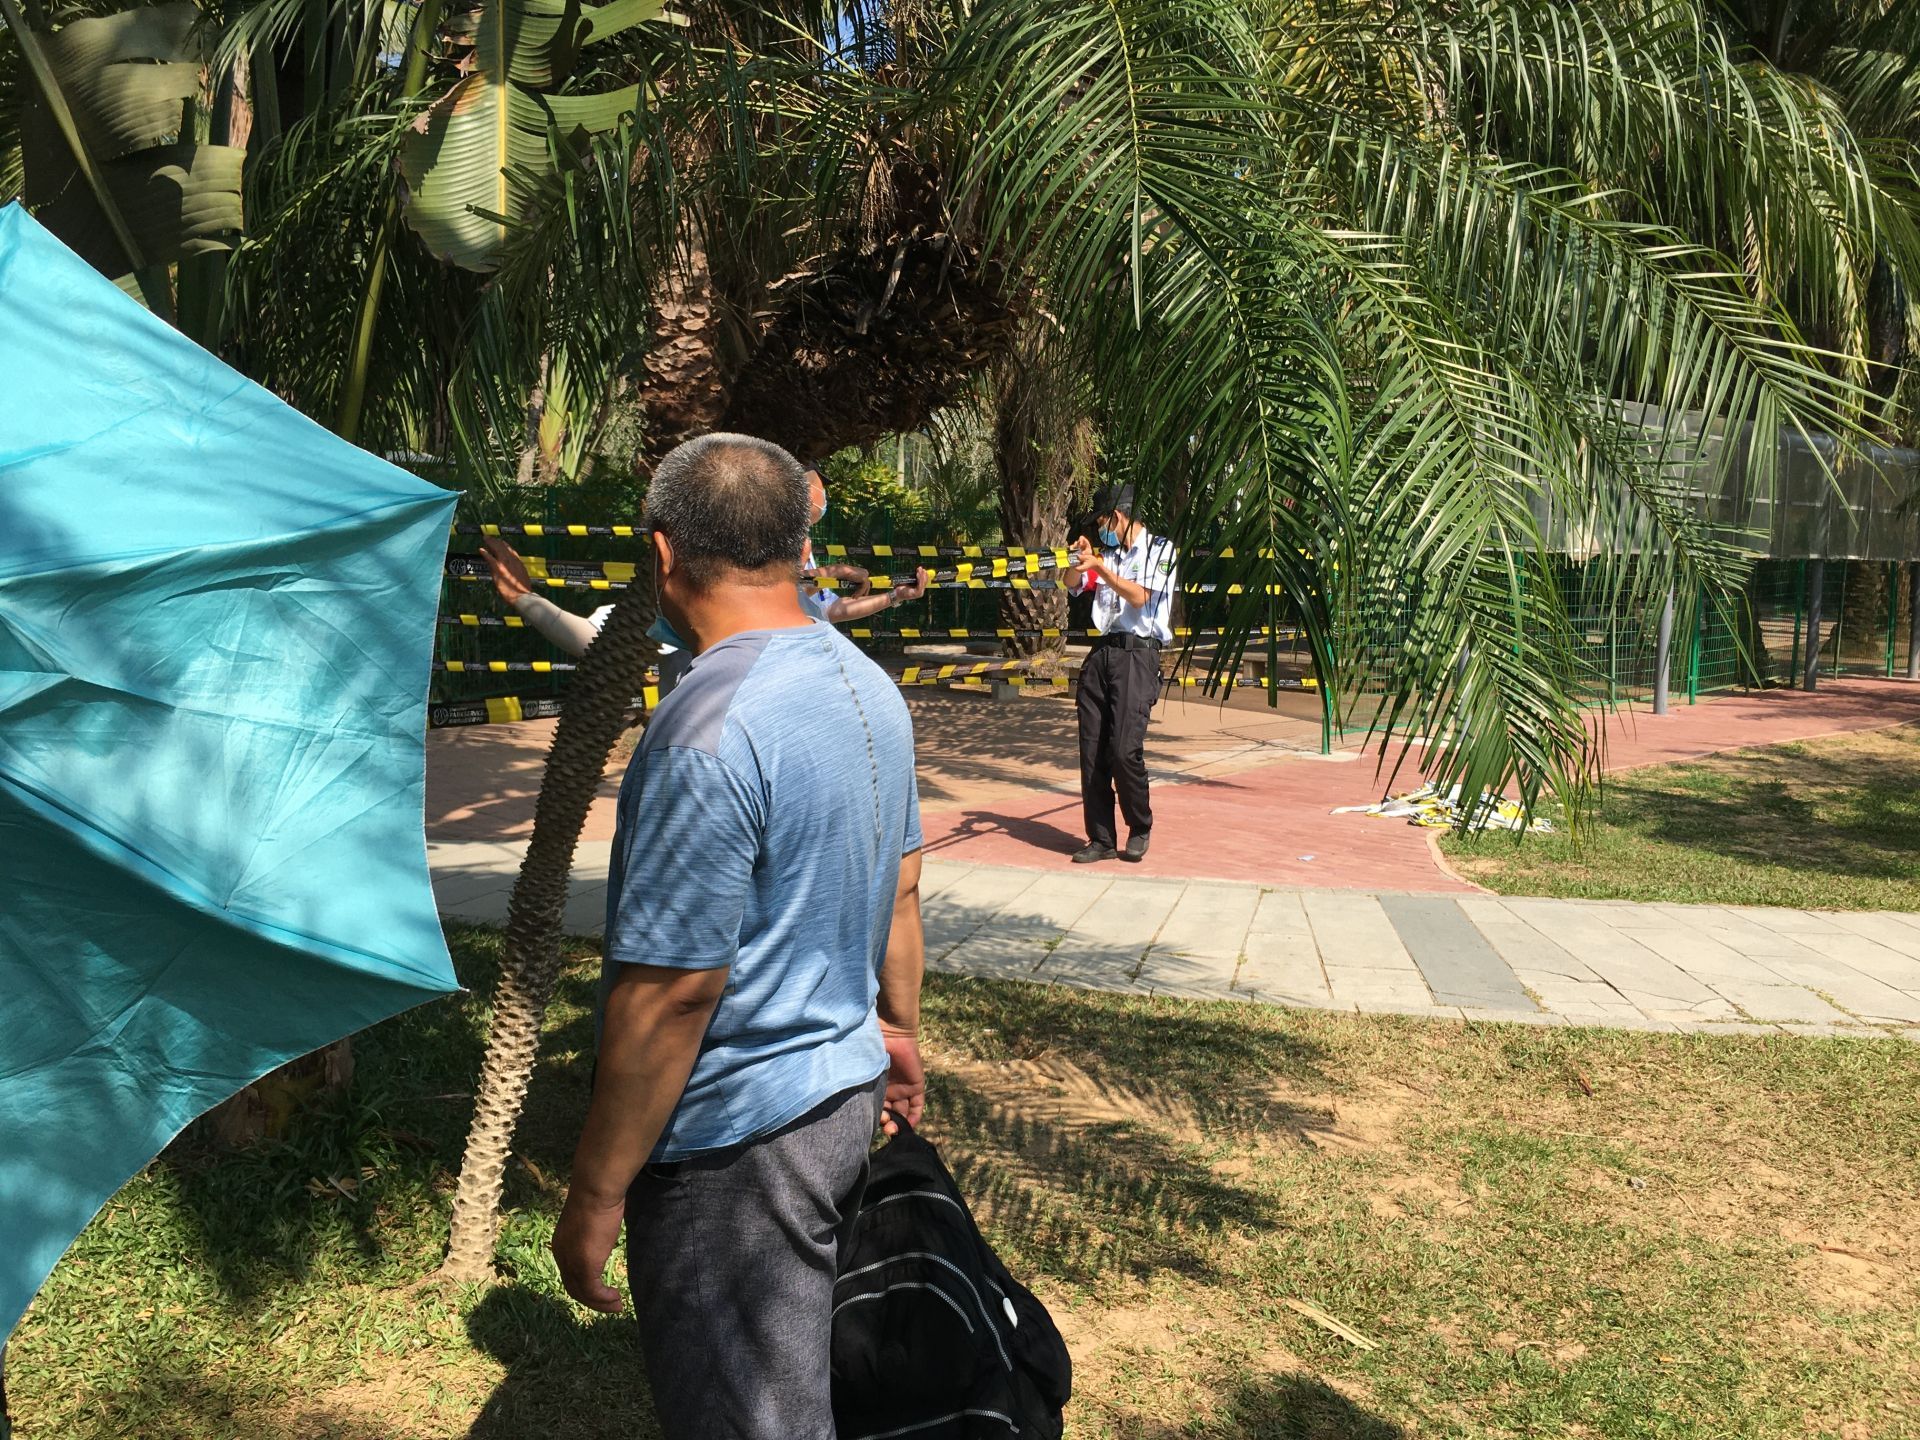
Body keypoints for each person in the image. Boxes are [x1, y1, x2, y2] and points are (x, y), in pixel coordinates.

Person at [549, 433, 928, 1440]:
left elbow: (674, 992)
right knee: (795, 1385)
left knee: (750, 1413)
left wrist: (595, 1193)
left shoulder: (705, 730)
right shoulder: (866, 685)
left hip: (739, 1145)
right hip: (841, 1094)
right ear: (800, 543)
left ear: (663, 552)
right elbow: (903, 888)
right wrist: (897, 1031)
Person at [1064, 483, 1178, 864]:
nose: (1100, 531)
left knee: (1124, 749)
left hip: (1137, 655)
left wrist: (1100, 568)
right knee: (1092, 750)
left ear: (1116, 517)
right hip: (1102, 653)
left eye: (1101, 523)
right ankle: (1101, 838)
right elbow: (1071, 584)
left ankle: (1140, 825)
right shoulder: (1105, 556)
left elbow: (1140, 597)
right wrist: (1078, 559)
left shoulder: (1161, 550)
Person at [800, 466, 930, 621]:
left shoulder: (802, 538)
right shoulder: (777, 535)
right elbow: (786, 592)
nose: (824, 495)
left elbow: (829, 608)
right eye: (820, 487)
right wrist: (840, 571)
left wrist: (896, 595)